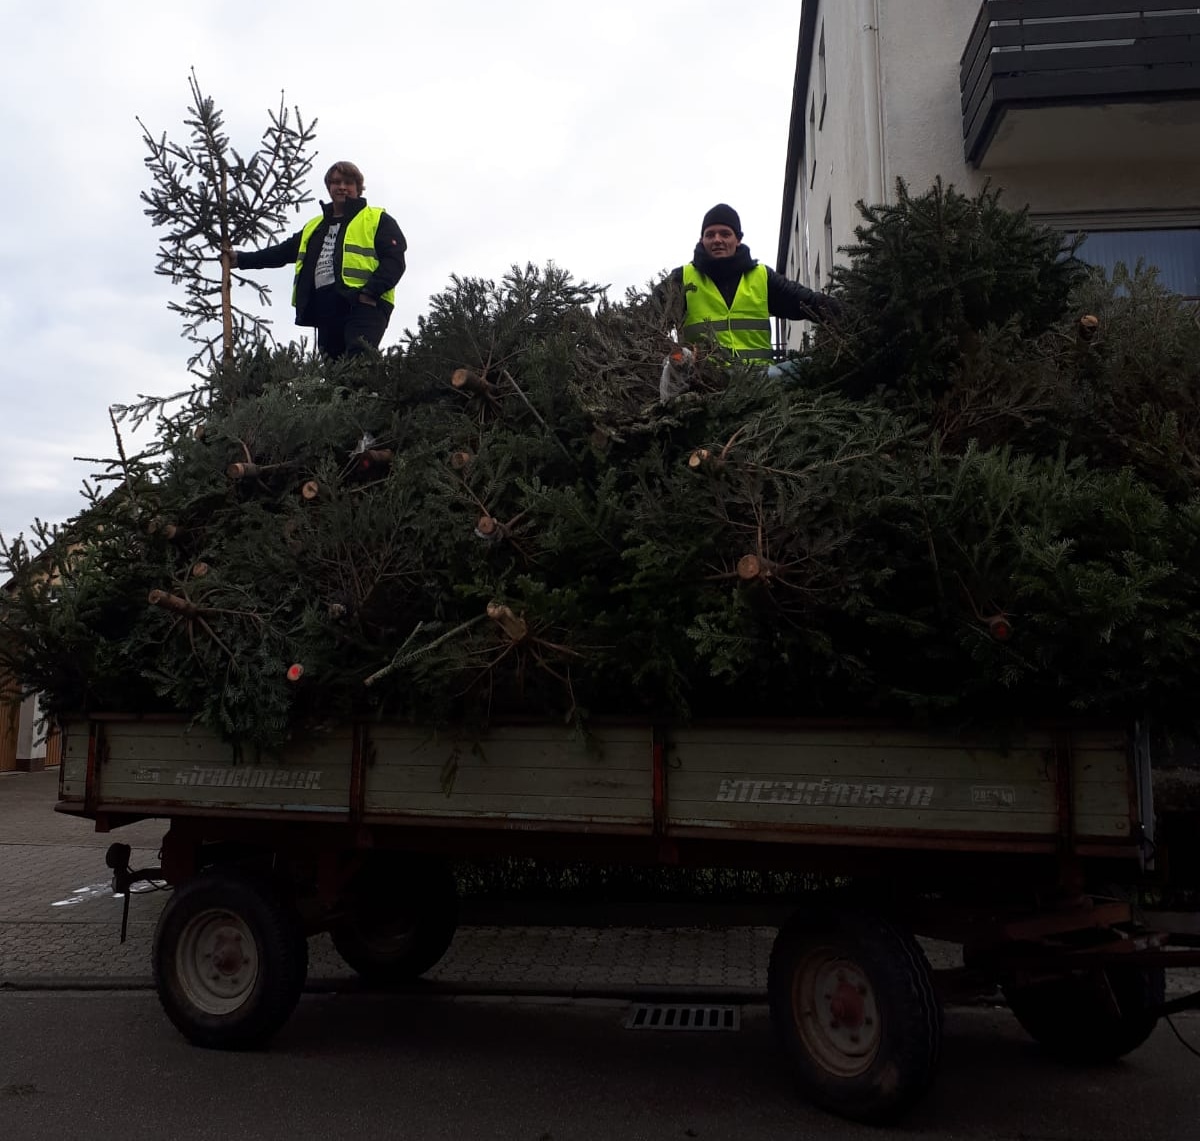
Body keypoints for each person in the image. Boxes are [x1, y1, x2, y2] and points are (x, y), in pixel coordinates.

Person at [227, 161, 407, 358]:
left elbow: (394, 261)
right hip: (327, 307)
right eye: (336, 182)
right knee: (333, 372)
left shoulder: (376, 219)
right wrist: (240, 260)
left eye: (348, 182)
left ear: (358, 187)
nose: (342, 187)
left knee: (359, 363)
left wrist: (370, 293)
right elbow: (281, 252)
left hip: (363, 305)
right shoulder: (315, 227)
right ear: (329, 187)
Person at [661, 203, 841, 363]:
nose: (717, 240)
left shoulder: (762, 276)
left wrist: (851, 312)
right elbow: (649, 318)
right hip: (705, 387)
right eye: (710, 234)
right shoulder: (682, 278)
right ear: (702, 240)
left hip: (761, 388)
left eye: (725, 233)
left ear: (737, 239)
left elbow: (808, 302)